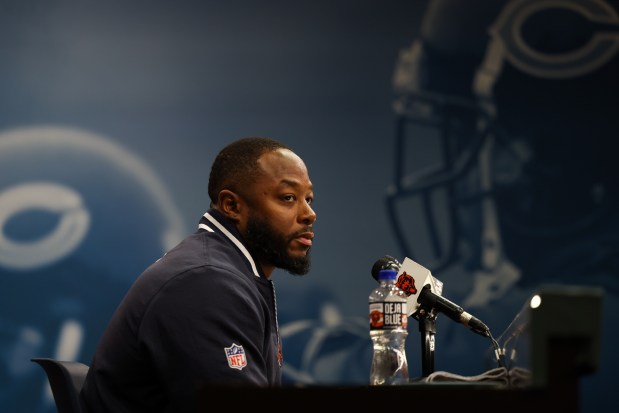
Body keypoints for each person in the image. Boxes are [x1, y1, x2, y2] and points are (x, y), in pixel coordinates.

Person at [79, 136, 316, 412]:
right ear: (232, 206)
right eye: (288, 198)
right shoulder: (206, 282)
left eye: (308, 199)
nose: (309, 213)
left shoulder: (228, 273)